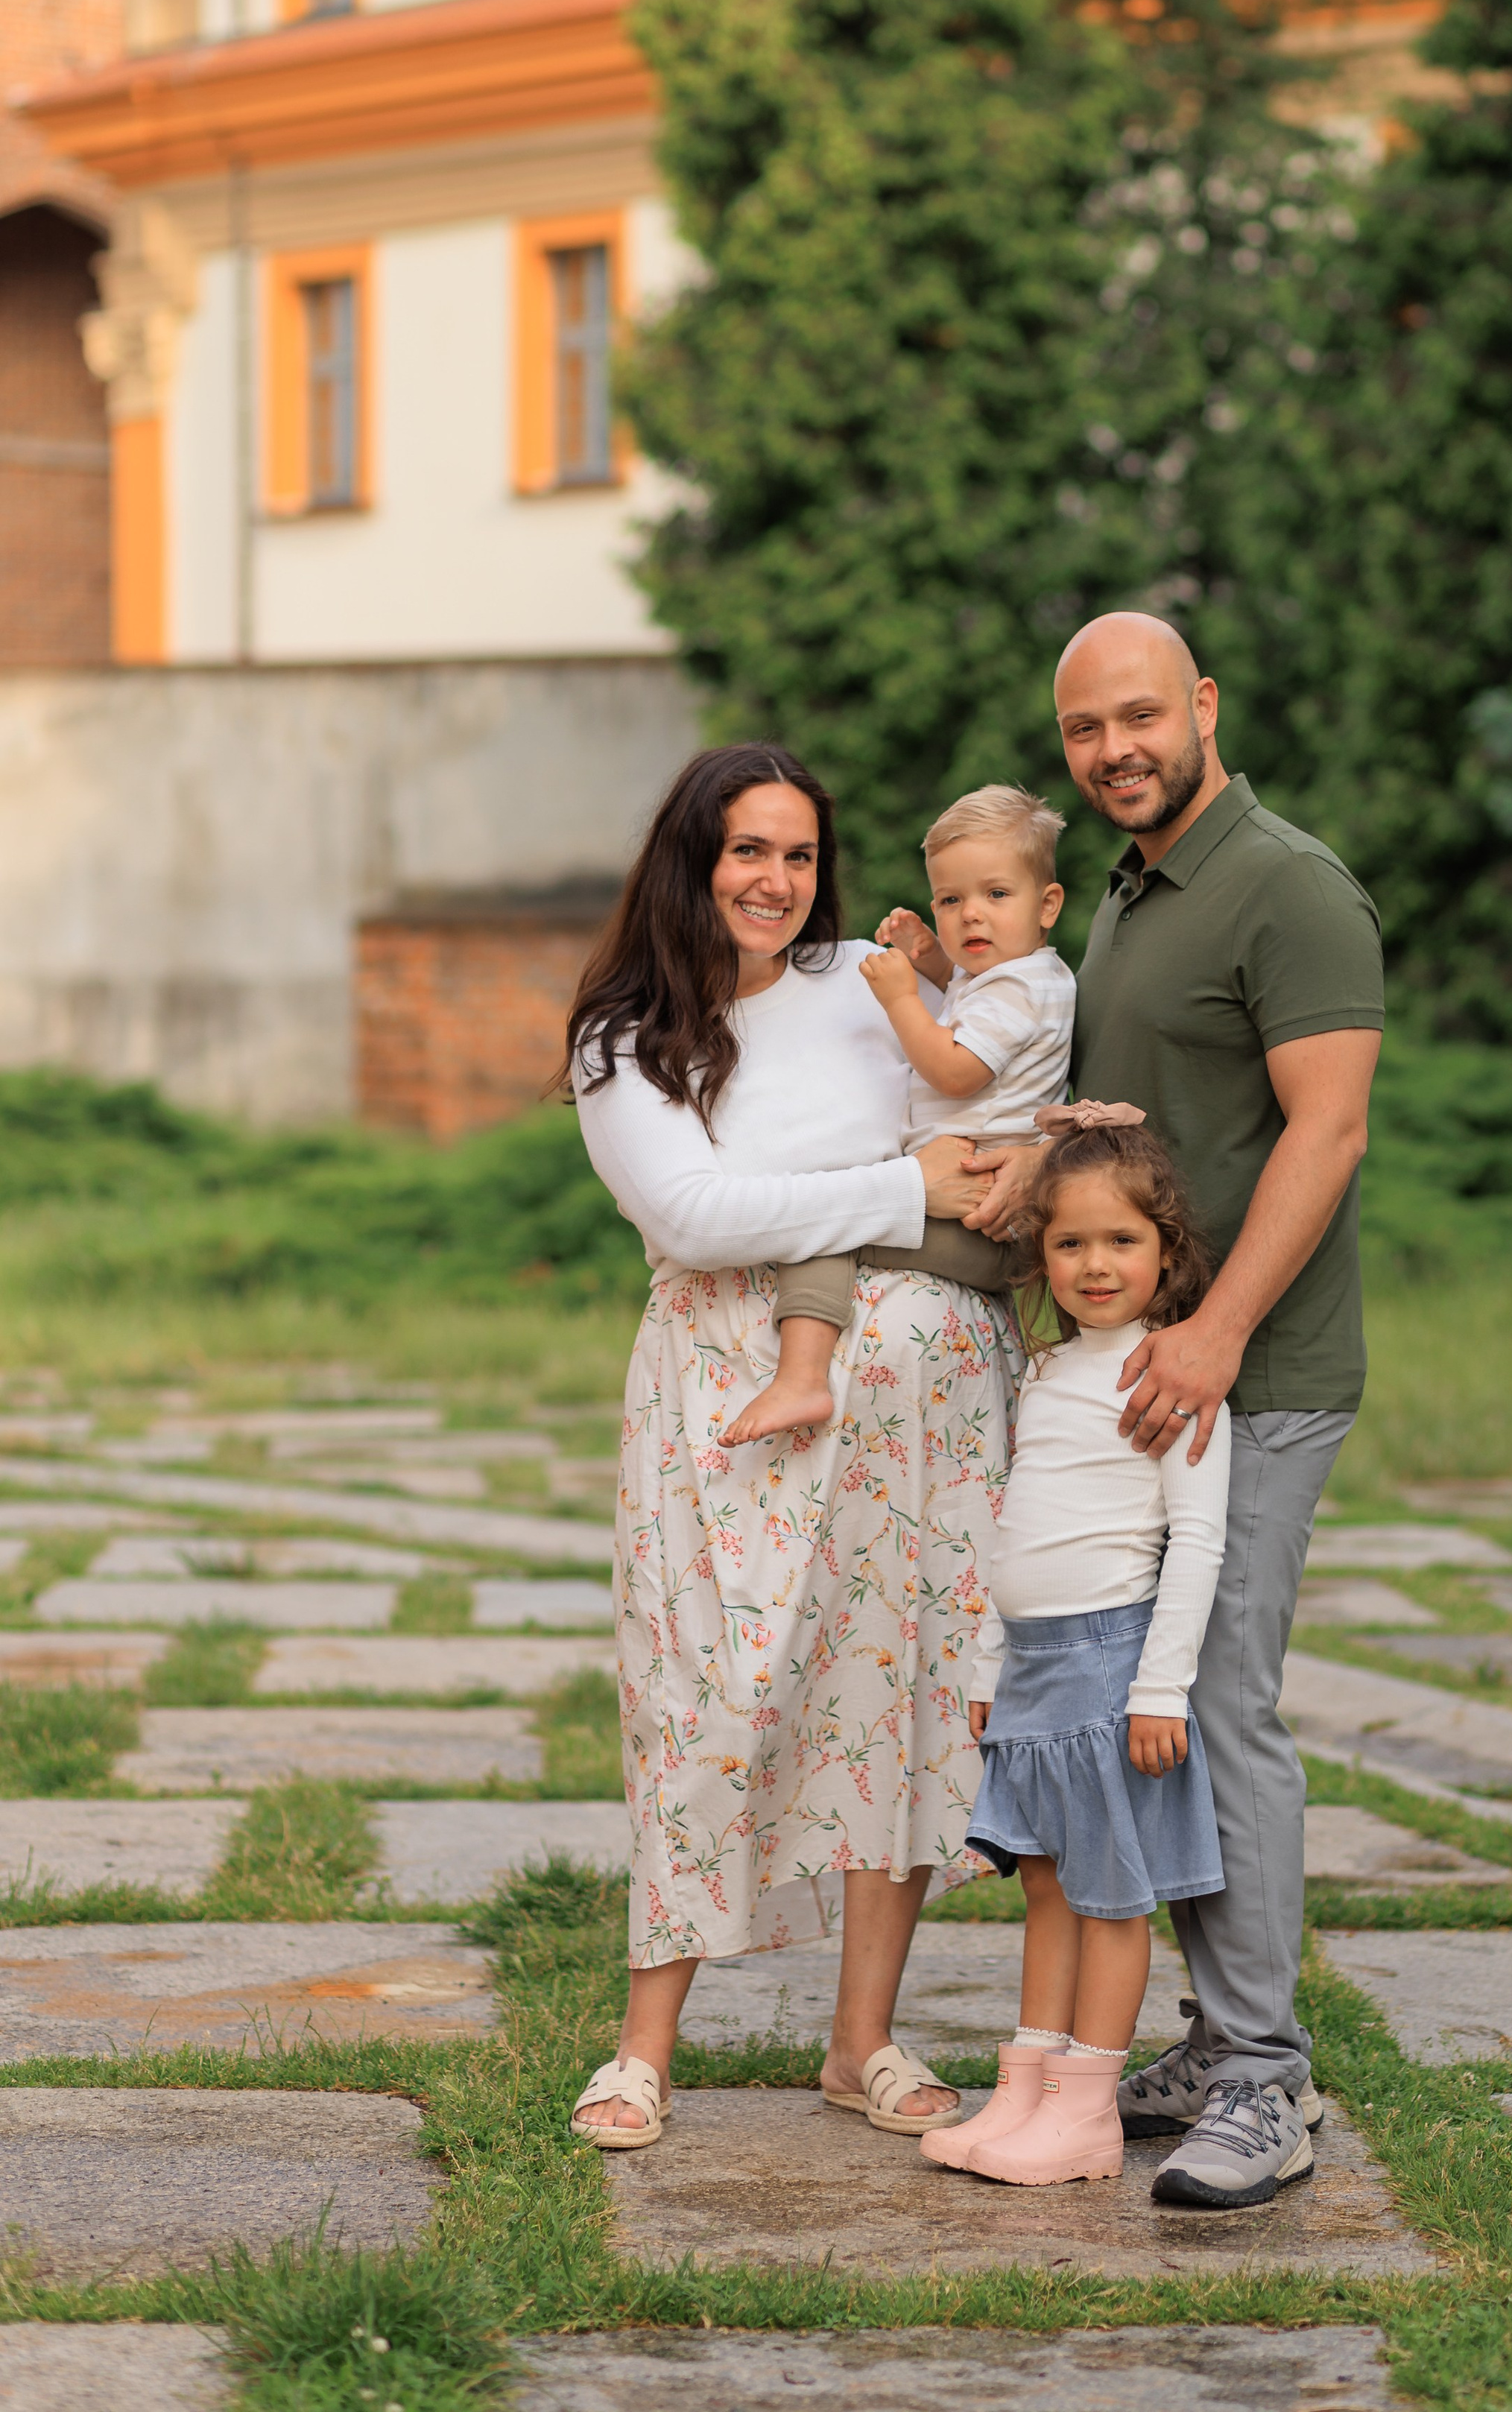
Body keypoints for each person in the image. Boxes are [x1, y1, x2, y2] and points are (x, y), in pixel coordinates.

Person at [963, 614, 1384, 2211]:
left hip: (1246, 1378)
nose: (1114, 748)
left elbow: (1323, 1133)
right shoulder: (1134, 895)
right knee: (1158, 1721)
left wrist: (1209, 1333)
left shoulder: (1286, 886)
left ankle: (1266, 2080)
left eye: (1140, 716)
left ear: (1202, 707)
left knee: (1212, 1704)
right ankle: (1213, 2039)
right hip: (1144, 1377)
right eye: (1085, 731)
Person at [563, 742, 1016, 2149]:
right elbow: (694, 1218)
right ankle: (643, 2050)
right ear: (693, 859)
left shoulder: (864, 990)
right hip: (727, 1391)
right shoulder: (624, 1040)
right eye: (748, 851)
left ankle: (862, 2042)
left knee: (901, 1705)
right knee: (709, 1698)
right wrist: (896, 1186)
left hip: (920, 1405)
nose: (776, 881)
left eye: (801, 855)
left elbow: (979, 1113)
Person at [919, 1115, 1246, 2192]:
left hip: (1112, 1669)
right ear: (1041, 1258)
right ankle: (1028, 2087)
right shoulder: (1051, 1369)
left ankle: (1089, 2114)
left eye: (1121, 1242)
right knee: (1047, 1892)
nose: (1095, 1266)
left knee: (1110, 1900)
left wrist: (1162, 1687)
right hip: (1034, 1667)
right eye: (1070, 1245)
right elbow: (1012, 1529)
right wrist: (981, 1669)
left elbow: (1196, 1538)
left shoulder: (1173, 1373)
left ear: (1168, 1252)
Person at [720, 784, 1074, 1448]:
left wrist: (901, 997)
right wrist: (932, 958)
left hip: (984, 1219)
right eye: (950, 900)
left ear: (1047, 904)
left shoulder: (1023, 989)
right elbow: (969, 996)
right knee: (839, 1210)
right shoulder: (1009, 975)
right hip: (971, 1205)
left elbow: (956, 1069)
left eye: (996, 896)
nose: (972, 917)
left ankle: (801, 1378)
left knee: (825, 1227)